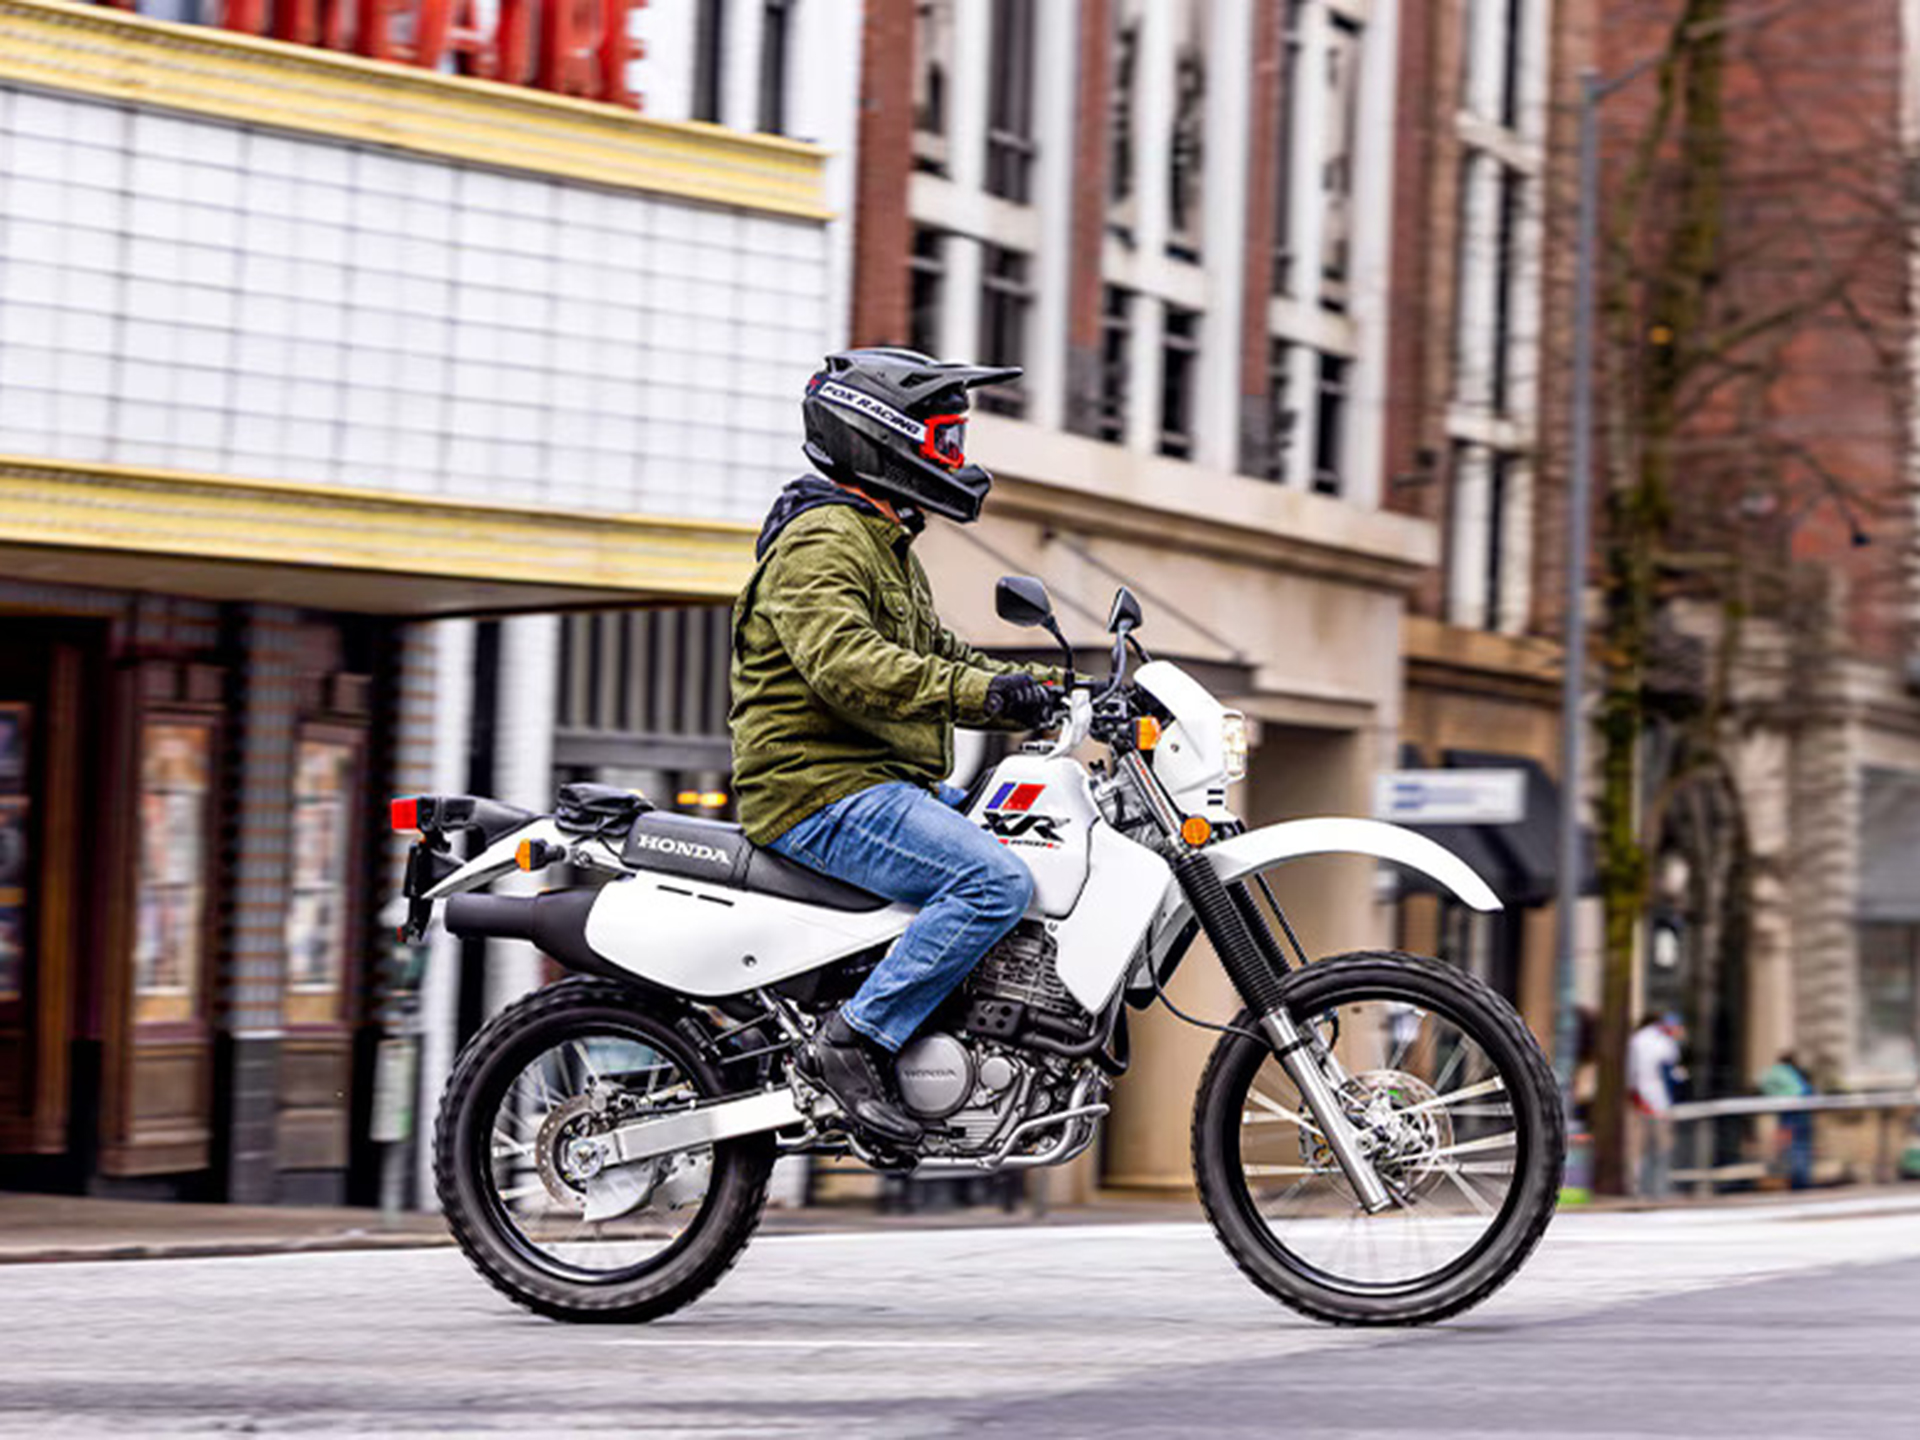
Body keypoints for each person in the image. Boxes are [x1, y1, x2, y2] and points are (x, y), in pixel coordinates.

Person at [729, 348, 1063, 1147]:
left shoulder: (880, 541)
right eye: (945, 441)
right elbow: (846, 667)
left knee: (1034, 845)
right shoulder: (823, 538)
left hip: (878, 782)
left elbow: (939, 653)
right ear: (880, 435)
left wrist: (1046, 686)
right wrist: (982, 694)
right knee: (992, 882)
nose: (957, 459)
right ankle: (853, 1042)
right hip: (821, 790)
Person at [1626, 1011, 1685, 1198]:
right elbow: (1656, 1074)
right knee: (1656, 1147)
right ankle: (1653, 1188)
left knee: (1648, 1148)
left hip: (1647, 1101)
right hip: (1652, 1102)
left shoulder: (1641, 1040)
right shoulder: (1659, 1043)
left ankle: (1645, 1187)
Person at [1758, 1050, 1815, 1190]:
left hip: (1789, 1111)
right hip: (1801, 1110)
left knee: (1789, 1145)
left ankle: (1794, 1177)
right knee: (1800, 1145)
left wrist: (1775, 1097)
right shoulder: (1793, 1072)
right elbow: (1805, 1091)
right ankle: (1801, 1178)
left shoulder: (1775, 1072)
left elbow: (1762, 1083)